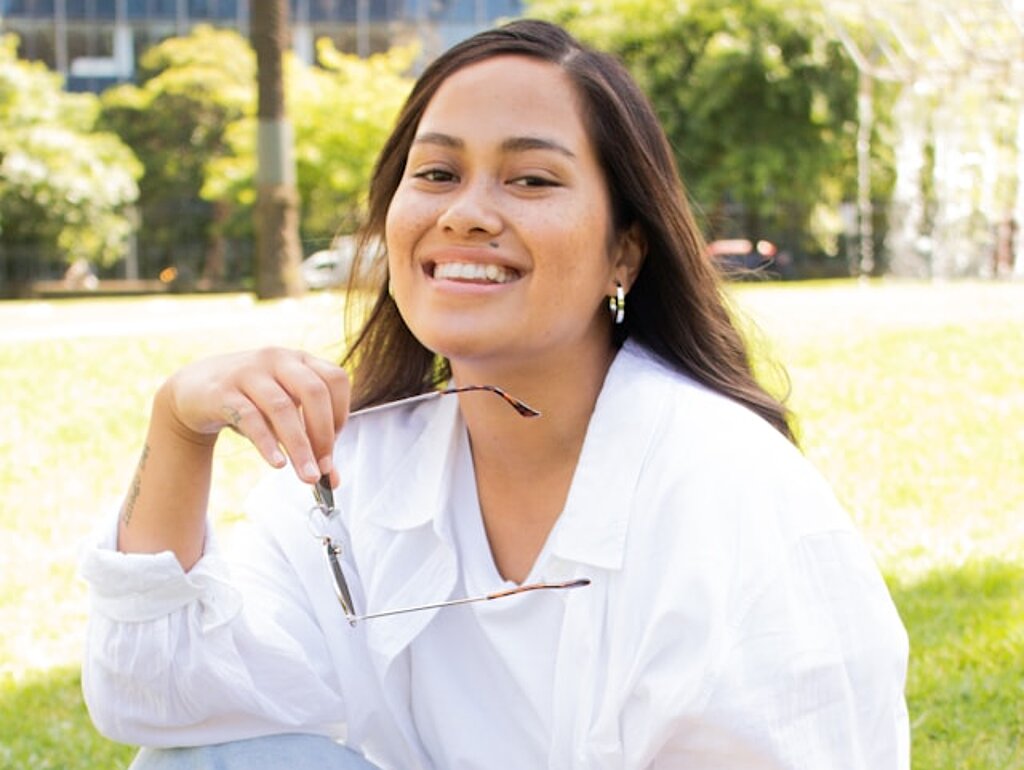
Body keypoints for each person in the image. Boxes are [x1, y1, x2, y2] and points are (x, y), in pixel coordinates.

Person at [81, 18, 910, 770]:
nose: (468, 214)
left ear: (625, 252)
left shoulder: (722, 484)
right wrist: (180, 425)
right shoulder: (364, 466)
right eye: (438, 172)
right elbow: (159, 702)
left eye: (532, 180)